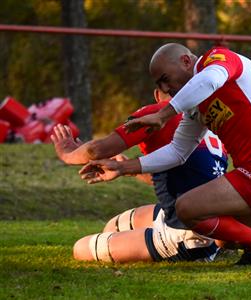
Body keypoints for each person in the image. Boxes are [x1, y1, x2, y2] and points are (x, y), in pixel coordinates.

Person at [78, 43, 251, 265]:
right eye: (159, 85)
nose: (166, 87)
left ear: (187, 61)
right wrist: (123, 167)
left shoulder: (217, 59)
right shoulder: (194, 105)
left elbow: (210, 80)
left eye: (165, 78)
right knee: (226, 239)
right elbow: (178, 152)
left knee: (186, 208)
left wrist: (163, 114)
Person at [51, 89, 228, 263]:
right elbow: (180, 177)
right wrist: (124, 166)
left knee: (81, 248)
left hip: (186, 235)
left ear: (158, 93)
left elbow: (95, 149)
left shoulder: (157, 113)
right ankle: (216, 240)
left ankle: (196, 248)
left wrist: (68, 153)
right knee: (113, 226)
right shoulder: (210, 119)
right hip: (210, 222)